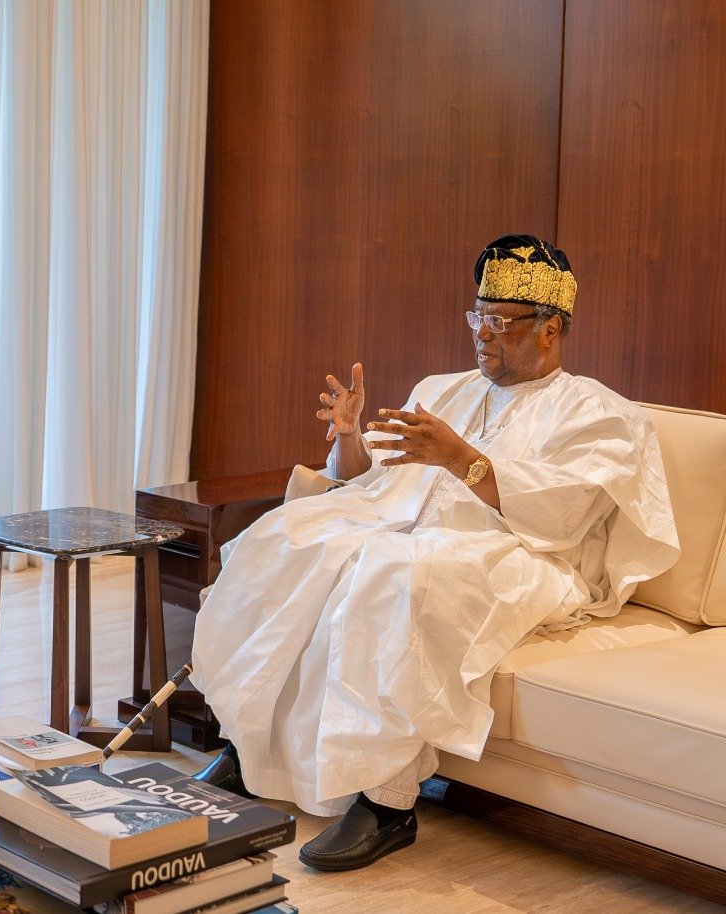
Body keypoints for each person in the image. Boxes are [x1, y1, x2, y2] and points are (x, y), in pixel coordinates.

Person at [188, 234, 679, 871]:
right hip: (403, 528)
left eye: (501, 322)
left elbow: (563, 514)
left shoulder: (600, 413)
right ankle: (249, 744)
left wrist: (461, 457)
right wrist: (347, 445)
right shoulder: (443, 390)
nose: (483, 335)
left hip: (522, 556)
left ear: (552, 329)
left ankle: (386, 802)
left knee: (394, 573)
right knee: (284, 539)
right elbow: (378, 482)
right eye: (479, 317)